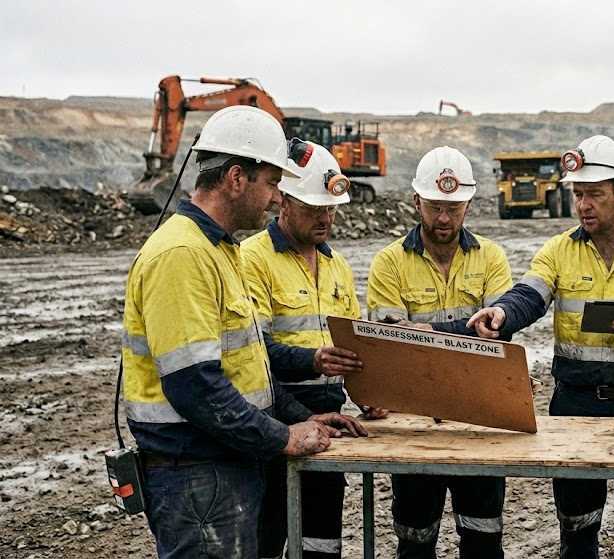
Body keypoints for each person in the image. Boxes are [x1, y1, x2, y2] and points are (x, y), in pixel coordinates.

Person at [121, 106, 366, 559]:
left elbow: (250, 367)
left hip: (223, 464)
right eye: (272, 183)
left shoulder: (220, 251)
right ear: (236, 178)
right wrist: (285, 437)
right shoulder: (182, 254)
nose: (275, 198)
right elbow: (195, 385)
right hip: (195, 472)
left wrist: (301, 416)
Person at [467, 135, 614, 559]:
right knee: (577, 529)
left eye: (594, 194)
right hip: (574, 407)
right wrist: (502, 313)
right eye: (578, 194)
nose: (583, 205)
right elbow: (529, 295)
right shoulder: (560, 250)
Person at [366, 146, 513, 558]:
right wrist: (464, 334)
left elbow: (496, 336)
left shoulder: (491, 258)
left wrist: (427, 332)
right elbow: (391, 346)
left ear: (469, 204)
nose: (444, 218)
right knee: (415, 541)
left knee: (484, 540)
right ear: (417, 202)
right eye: (434, 207)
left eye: (453, 208)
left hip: (480, 420)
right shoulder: (389, 263)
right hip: (413, 424)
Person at [241, 140, 370, 559]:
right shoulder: (252, 259)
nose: (325, 218)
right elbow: (252, 350)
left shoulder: (337, 266)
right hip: (273, 418)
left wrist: (371, 395)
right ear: (283, 200)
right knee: (267, 538)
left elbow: (355, 347)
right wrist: (311, 361)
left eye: (331, 209)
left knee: (321, 542)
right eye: (314, 208)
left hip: (329, 424)